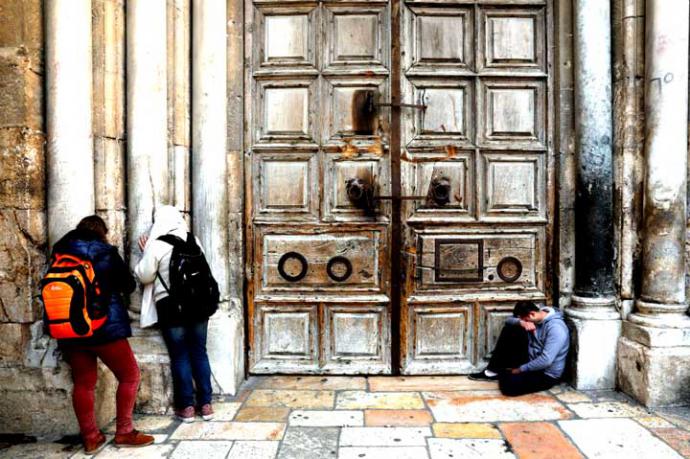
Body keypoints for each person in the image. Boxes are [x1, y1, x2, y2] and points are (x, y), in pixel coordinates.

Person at [49, 216, 154, 454]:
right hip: (103, 327)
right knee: (130, 375)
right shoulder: (105, 252)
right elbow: (128, 285)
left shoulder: (60, 251)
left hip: (70, 328)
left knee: (84, 383)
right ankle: (124, 432)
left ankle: (90, 437)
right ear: (102, 232)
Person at [134, 206, 214, 422]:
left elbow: (144, 276)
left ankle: (187, 408)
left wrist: (145, 252)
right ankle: (206, 405)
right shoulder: (193, 240)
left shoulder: (158, 244)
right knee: (199, 352)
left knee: (179, 355)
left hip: (172, 308)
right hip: (199, 306)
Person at [469, 301, 570, 396]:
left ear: (532, 314)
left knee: (508, 388)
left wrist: (520, 369)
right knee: (510, 329)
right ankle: (493, 371)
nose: (525, 322)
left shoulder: (556, 329)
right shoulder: (538, 314)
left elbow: (546, 360)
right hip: (532, 357)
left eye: (525, 319)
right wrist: (521, 322)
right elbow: (508, 320)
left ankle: (506, 373)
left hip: (546, 373)